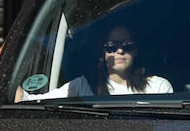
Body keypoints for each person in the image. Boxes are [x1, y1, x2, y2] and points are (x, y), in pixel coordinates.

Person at [20, 24, 173, 100]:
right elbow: (29, 101)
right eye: (112, 46)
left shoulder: (159, 87)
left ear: (137, 51)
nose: (120, 51)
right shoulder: (82, 86)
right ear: (103, 53)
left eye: (128, 45)